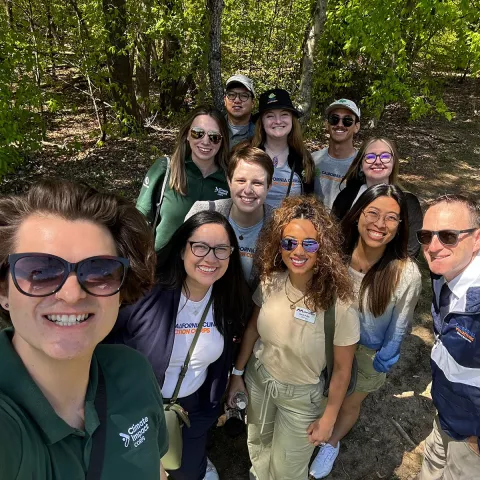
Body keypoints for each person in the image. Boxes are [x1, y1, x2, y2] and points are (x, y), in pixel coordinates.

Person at [0, 179, 169, 480]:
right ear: (4, 290)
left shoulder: (134, 373)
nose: (72, 293)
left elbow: (155, 466)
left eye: (100, 271)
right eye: (40, 271)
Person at [106, 211, 251, 480]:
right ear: (182, 250)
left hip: (192, 410)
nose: (210, 258)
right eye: (200, 247)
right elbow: (103, 341)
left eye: (221, 249)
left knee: (187, 473)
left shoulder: (228, 300)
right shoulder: (144, 295)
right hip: (135, 408)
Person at [227, 196, 359, 480]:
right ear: (279, 245)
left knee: (288, 469)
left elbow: (342, 370)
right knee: (258, 449)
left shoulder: (340, 304)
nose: (298, 251)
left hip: (302, 397)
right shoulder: (270, 281)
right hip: (259, 380)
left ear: (323, 248)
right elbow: (252, 330)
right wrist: (238, 373)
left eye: (309, 243)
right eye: (289, 242)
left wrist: (329, 419)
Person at [309, 184, 422, 479]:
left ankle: (331, 444)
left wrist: (387, 355)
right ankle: (314, 430)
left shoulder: (406, 273)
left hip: (367, 354)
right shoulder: (334, 255)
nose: (379, 224)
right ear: (358, 215)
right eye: (372, 212)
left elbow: (401, 323)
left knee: (349, 403)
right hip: (326, 343)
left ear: (399, 227)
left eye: (391, 218)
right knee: (321, 396)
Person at [417, 194, 480, 479]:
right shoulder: (445, 276)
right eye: (426, 235)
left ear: (476, 239)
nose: (433, 246)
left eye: (448, 236)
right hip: (447, 417)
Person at [136, 105, 230, 251]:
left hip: (206, 268)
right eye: (198, 133)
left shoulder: (229, 181)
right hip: (161, 268)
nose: (206, 141)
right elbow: (139, 221)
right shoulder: (165, 169)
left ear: (222, 141)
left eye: (214, 137)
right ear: (187, 134)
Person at [186, 143, 274, 288]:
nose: (248, 190)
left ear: (269, 186)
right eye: (241, 180)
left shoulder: (279, 224)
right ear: (229, 181)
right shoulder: (202, 213)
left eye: (257, 183)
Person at [331, 137, 423, 257]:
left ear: (393, 163)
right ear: (360, 165)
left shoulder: (408, 203)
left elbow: (410, 251)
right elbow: (332, 238)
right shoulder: (347, 196)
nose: (378, 161)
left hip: (389, 273)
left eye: (385, 156)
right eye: (370, 157)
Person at [251, 88, 315, 209]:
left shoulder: (303, 159)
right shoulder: (248, 155)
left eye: (284, 114)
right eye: (270, 116)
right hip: (253, 226)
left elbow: (309, 204)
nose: (278, 121)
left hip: (290, 227)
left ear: (292, 119)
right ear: (262, 122)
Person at [312, 98, 361, 210]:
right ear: (327, 124)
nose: (340, 124)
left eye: (347, 120)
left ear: (356, 127)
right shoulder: (312, 160)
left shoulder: (363, 165)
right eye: (334, 119)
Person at [224, 74, 256, 149]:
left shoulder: (262, 133)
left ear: (253, 103)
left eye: (244, 96)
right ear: (225, 100)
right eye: (232, 95)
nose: (237, 100)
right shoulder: (214, 127)